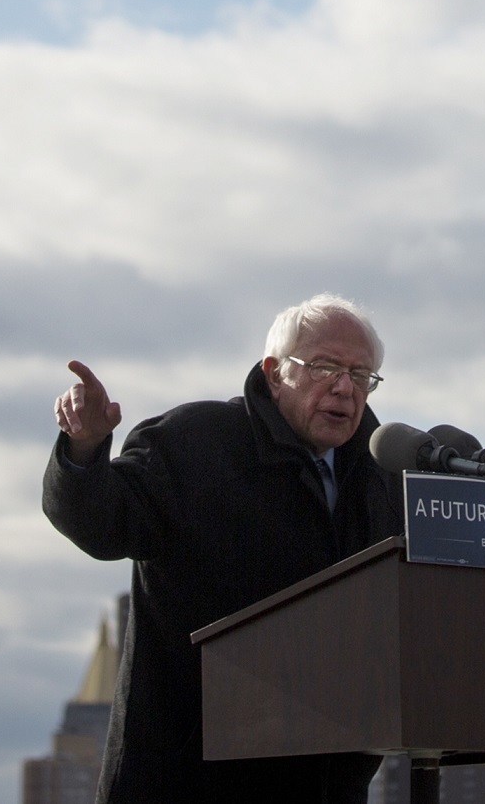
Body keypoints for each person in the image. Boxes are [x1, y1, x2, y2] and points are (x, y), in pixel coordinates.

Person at [44, 294, 403, 804]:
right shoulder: (193, 443)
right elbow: (102, 523)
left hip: (325, 779)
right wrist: (83, 451)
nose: (345, 387)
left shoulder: (383, 475)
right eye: (324, 367)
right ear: (275, 373)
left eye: (361, 374)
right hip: (187, 775)